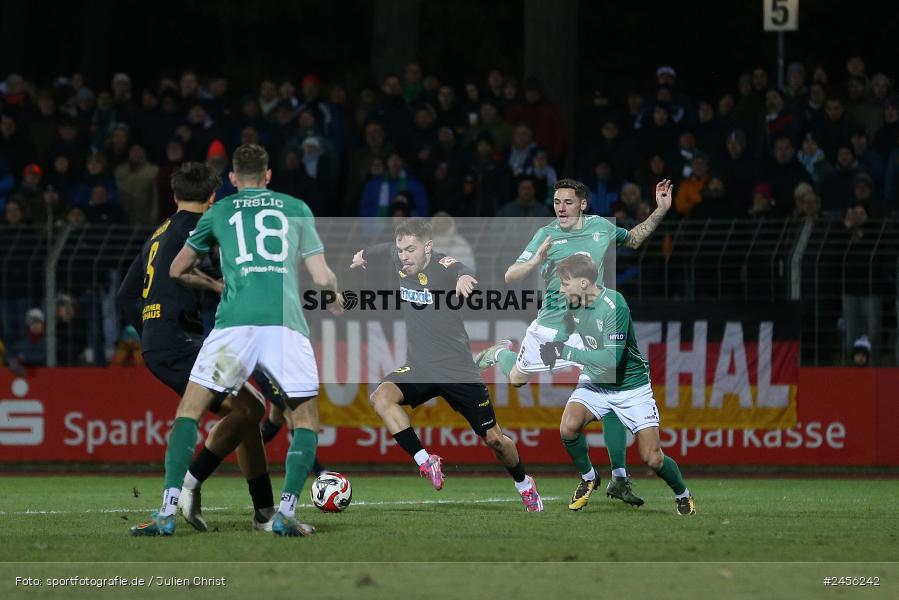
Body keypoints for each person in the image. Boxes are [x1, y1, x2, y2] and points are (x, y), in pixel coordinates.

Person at [128, 145, 342, 538]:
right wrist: (334, 297)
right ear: (268, 175)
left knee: (188, 413)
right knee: (306, 420)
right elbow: (323, 277)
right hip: (283, 323)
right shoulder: (295, 207)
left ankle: (166, 512)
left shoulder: (219, 212)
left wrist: (213, 284)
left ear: (231, 180)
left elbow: (177, 268)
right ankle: (285, 514)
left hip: (232, 326)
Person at [475, 178, 673, 506]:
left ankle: (615, 478)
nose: (560, 208)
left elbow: (634, 239)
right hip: (552, 328)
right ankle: (502, 353)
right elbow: (511, 275)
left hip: (591, 323)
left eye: (567, 202)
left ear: (583, 204)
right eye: (556, 202)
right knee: (517, 380)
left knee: (609, 385)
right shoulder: (546, 234)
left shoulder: (600, 227)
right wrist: (535, 261)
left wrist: (661, 210)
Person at [118, 161, 274, 533]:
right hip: (181, 341)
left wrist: (152, 330)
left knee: (248, 411)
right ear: (212, 197)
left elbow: (125, 298)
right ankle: (188, 485)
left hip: (163, 342)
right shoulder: (204, 227)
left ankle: (264, 512)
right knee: (251, 407)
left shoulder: (157, 234)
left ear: (174, 196)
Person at [352, 218, 544, 512]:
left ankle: (524, 484)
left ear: (428, 247)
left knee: (494, 440)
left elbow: (460, 269)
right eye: (401, 249)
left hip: (458, 371)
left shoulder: (443, 265)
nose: (404, 256)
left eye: (411, 249)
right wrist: (362, 255)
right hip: (420, 368)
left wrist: (464, 278)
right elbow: (381, 250)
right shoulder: (398, 256)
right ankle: (425, 461)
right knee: (381, 397)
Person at [540, 253, 695, 515]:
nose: (561, 288)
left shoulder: (614, 305)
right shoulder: (572, 301)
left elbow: (611, 360)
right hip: (596, 383)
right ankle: (589, 477)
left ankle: (683, 494)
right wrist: (556, 341)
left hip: (630, 387)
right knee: (568, 427)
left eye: (565, 283)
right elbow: (566, 327)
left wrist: (564, 352)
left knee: (652, 458)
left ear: (584, 284)